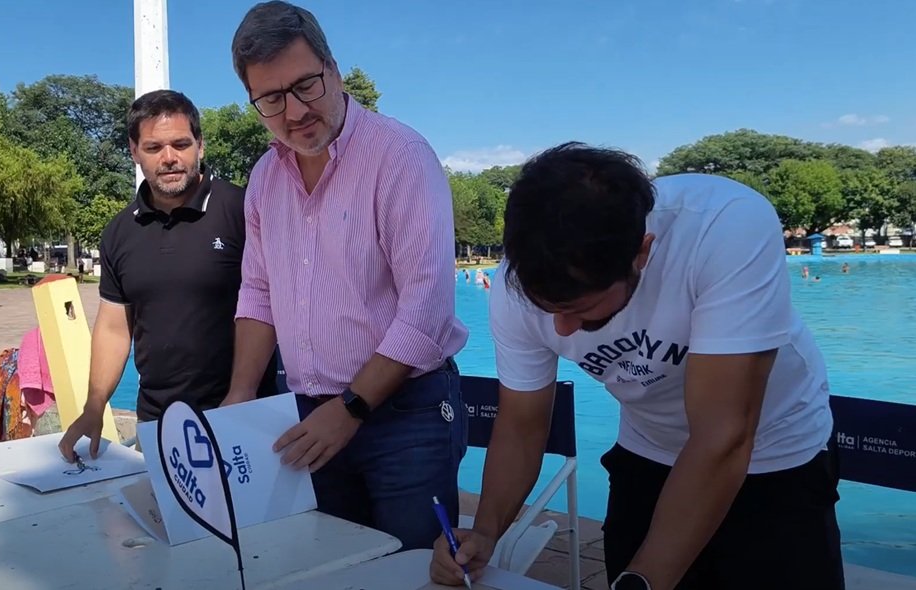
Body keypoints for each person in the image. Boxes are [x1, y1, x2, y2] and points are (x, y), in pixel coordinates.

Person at [430, 143, 844, 589]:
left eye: (580, 308)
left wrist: (641, 582)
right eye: (547, 309)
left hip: (775, 454)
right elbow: (522, 424)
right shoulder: (518, 279)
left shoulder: (725, 225)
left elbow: (723, 436)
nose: (563, 329)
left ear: (642, 253)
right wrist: (486, 532)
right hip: (649, 450)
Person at [222, 1, 469, 550]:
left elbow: (426, 311)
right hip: (305, 414)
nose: (294, 111)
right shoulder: (264, 179)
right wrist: (241, 392)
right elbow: (258, 293)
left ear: (333, 69)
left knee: (411, 569)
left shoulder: (399, 156)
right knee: (329, 566)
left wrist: (352, 407)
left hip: (406, 414)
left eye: (305, 85)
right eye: (271, 98)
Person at [59, 90, 277, 461]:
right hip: (158, 425)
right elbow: (114, 327)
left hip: (242, 414)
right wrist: (95, 405)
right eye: (153, 147)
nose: (169, 158)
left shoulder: (241, 209)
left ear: (200, 145)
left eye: (180, 144)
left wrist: (242, 393)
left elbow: (269, 302)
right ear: (134, 151)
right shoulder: (119, 232)